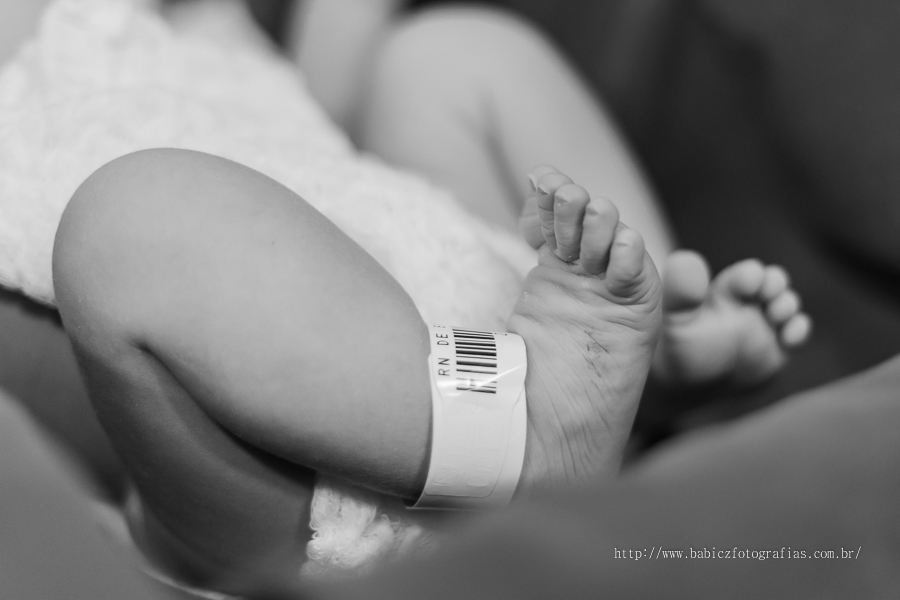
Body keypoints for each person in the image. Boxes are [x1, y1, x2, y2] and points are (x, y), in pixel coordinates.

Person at [4, 0, 809, 593]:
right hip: (279, 455)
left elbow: (325, 105)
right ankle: (523, 447)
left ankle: (651, 356)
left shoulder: (197, 23)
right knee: (132, 221)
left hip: (436, 279)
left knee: (447, 55)